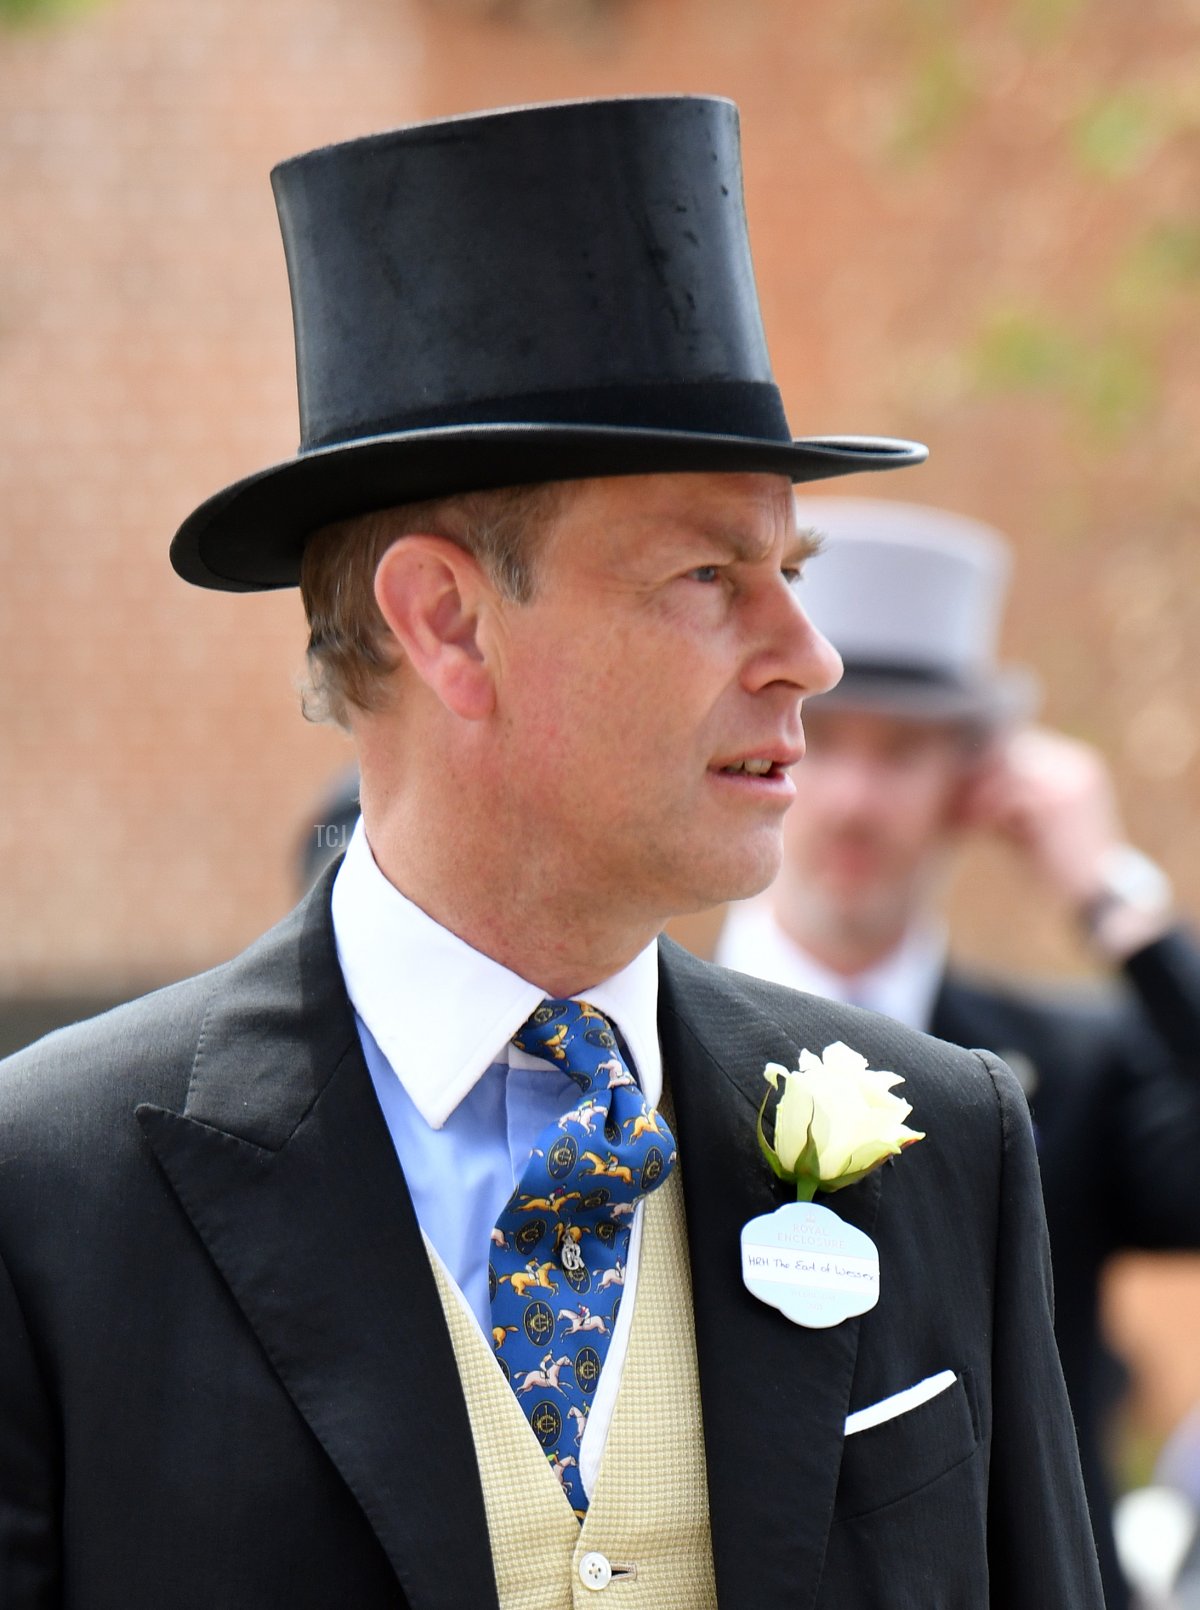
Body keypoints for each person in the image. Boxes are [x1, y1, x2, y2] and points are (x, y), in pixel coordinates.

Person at [0, 99, 1103, 1608]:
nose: (811, 653)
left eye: (792, 568)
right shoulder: (45, 1193)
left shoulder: (947, 1137)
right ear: (448, 622)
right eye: (709, 572)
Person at [716, 495, 1200, 1609]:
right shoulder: (622, 1043)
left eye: (902, 750)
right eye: (822, 736)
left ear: (976, 780)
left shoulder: (1069, 1067)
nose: (853, 799)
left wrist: (1116, 902)